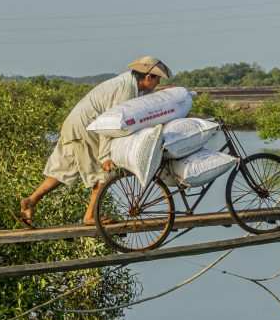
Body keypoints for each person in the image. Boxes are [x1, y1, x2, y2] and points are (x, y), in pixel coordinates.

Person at [16, 56, 172, 227]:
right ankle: (90, 216)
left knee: (63, 171)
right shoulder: (126, 88)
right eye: (157, 78)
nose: (158, 82)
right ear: (148, 77)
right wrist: (105, 156)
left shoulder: (135, 86)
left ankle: (30, 201)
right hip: (87, 127)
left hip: (75, 124)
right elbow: (110, 122)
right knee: (102, 173)